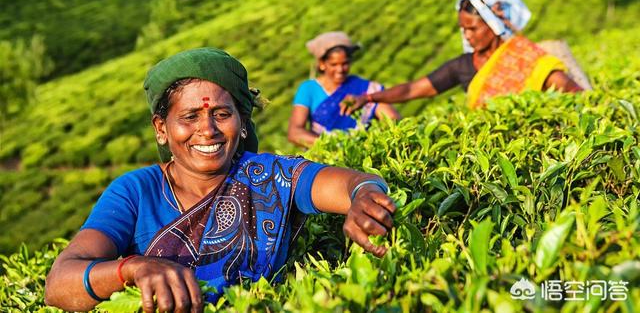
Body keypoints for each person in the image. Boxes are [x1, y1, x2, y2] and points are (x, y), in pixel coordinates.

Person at [44, 48, 396, 312]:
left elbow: (353, 183)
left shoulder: (271, 176)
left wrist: (364, 197)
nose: (207, 130)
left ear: (243, 123)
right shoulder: (135, 191)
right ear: (161, 129)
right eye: (190, 116)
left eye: (222, 114)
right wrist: (132, 269)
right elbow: (60, 283)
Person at [340, 0, 583, 115]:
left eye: (473, 28)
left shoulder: (524, 57)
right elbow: (414, 88)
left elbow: (569, 88)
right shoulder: (463, 65)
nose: (467, 35)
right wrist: (368, 98)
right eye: (463, 29)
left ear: (493, 24)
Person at [288, 31, 400, 148]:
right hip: (323, 158)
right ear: (322, 64)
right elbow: (294, 133)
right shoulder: (308, 89)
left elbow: (393, 121)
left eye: (345, 63)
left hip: (360, 154)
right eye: (334, 64)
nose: (340, 69)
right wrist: (335, 146)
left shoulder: (367, 89)